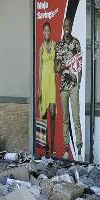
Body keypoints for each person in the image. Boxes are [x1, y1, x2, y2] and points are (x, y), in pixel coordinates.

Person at [55, 16, 83, 158]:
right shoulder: (59, 45)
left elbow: (80, 65)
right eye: (65, 25)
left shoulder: (76, 43)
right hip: (63, 86)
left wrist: (78, 83)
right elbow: (56, 67)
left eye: (69, 25)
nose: (67, 27)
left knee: (76, 117)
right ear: (63, 26)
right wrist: (64, 65)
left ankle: (79, 146)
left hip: (73, 86)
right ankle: (67, 147)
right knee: (65, 117)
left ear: (71, 26)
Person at [37, 21, 57, 154]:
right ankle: (46, 146)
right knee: (44, 116)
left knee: (53, 115)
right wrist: (39, 88)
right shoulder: (41, 48)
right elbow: (39, 69)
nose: (46, 32)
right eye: (44, 30)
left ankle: (53, 145)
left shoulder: (55, 44)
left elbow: (57, 63)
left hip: (52, 81)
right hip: (44, 82)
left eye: (48, 30)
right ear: (42, 32)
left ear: (50, 31)